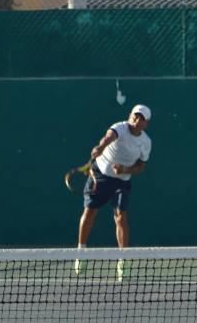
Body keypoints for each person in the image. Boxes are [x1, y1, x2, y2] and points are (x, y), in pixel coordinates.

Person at [74, 104, 151, 274]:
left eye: (141, 119)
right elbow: (108, 137)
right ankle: (81, 252)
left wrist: (125, 170)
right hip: (100, 175)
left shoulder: (145, 143)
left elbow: (140, 167)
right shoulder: (120, 128)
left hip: (121, 182)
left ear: (146, 124)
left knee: (120, 217)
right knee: (90, 211)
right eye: (134, 116)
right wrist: (100, 147)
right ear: (130, 115)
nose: (136, 120)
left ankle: (123, 261)